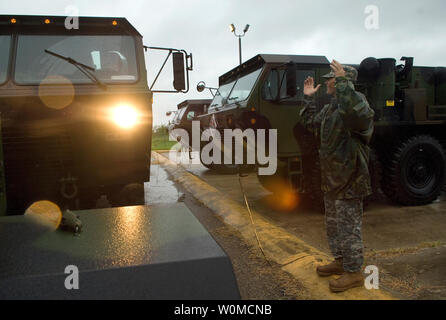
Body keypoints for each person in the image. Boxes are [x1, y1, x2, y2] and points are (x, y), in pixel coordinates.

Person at [298, 60, 375, 292]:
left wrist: (342, 83)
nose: (327, 82)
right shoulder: (331, 107)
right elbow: (310, 124)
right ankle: (341, 261)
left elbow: (356, 115)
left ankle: (354, 272)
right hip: (332, 179)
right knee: (334, 226)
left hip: (350, 178)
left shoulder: (357, 102)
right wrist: (308, 98)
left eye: (332, 78)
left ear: (344, 80)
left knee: (349, 228)